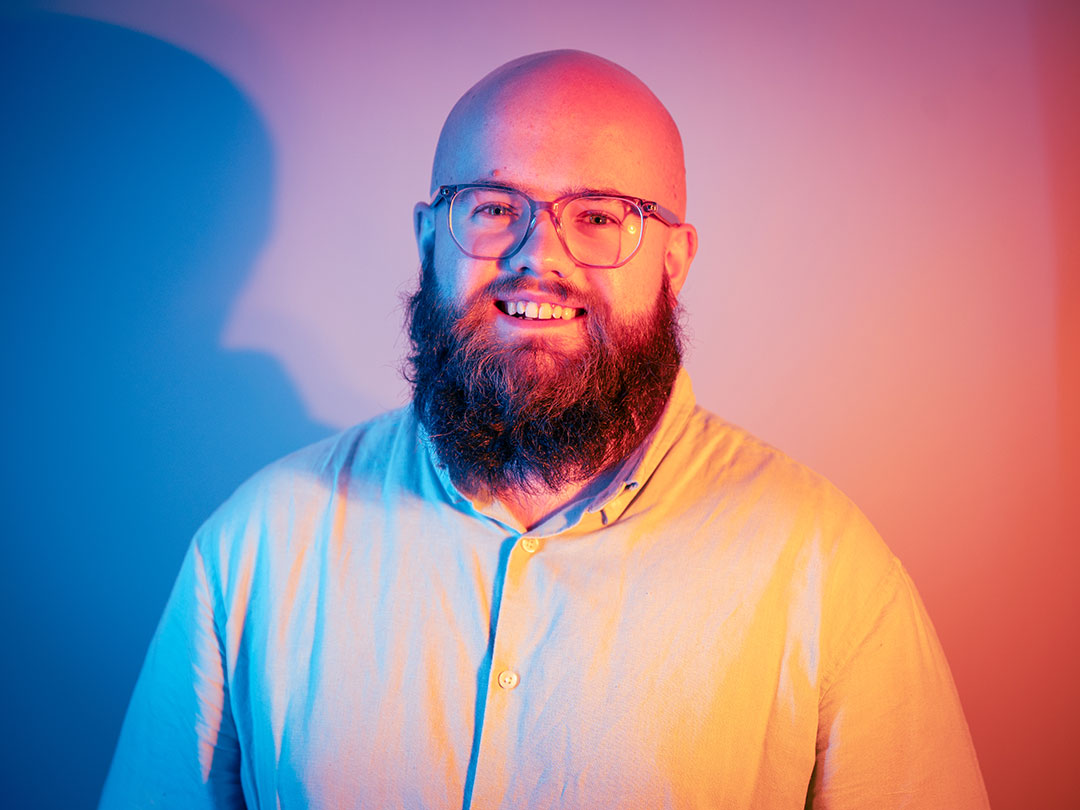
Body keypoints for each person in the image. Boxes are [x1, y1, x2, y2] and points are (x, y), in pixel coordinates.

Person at [100, 50, 990, 809]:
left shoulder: (825, 571)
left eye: (601, 216)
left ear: (675, 262)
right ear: (430, 238)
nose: (539, 254)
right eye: (493, 206)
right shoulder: (257, 545)